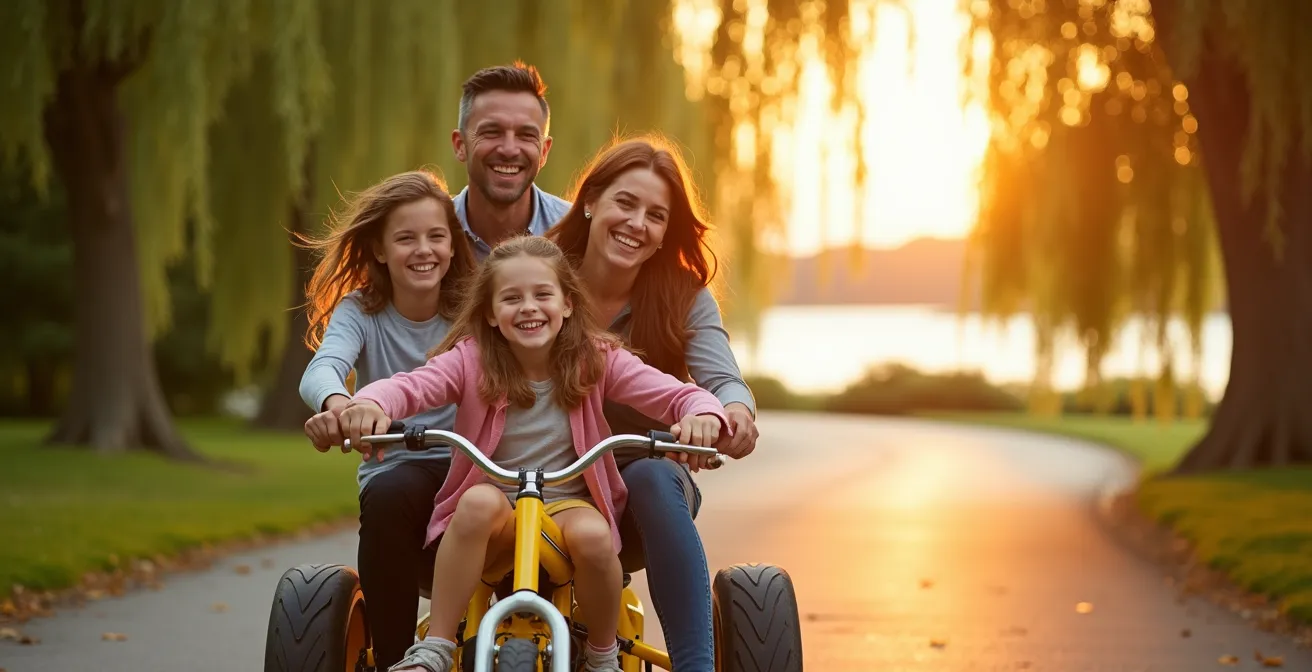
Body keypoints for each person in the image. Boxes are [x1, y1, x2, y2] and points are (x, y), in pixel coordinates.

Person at [338, 236, 729, 672]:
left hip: (568, 504)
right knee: (476, 503)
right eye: (511, 298)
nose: (528, 307)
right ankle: (438, 645)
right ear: (489, 313)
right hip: (497, 507)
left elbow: (674, 395)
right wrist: (371, 404)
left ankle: (602, 656)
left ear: (567, 304)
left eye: (543, 294)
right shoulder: (470, 359)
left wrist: (702, 414)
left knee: (596, 536)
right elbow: (409, 386)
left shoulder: (597, 358)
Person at [546, 135, 760, 670]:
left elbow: (721, 379)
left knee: (651, 475)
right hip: (540, 478)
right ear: (591, 201)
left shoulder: (683, 294)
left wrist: (732, 414)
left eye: (656, 215)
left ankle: (694, 665)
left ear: (667, 232)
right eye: (626, 203)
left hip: (637, 493)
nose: (638, 223)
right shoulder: (536, 272)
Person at [296, 170, 477, 665]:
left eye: (437, 236)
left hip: (475, 466)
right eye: (406, 238)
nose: (424, 250)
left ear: (453, 244)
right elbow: (324, 367)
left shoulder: (473, 308)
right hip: (399, 472)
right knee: (390, 493)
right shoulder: (361, 310)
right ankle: (398, 657)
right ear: (379, 249)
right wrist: (341, 408)